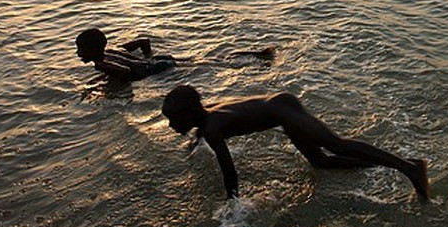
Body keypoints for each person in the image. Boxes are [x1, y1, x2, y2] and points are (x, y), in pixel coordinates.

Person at [162, 85, 430, 200]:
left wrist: (232, 206)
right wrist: (192, 145)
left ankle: (410, 168)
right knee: (320, 162)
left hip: (284, 110)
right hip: (280, 107)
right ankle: (376, 165)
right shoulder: (207, 119)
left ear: (190, 115)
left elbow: (229, 170)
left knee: (335, 145)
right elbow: (203, 130)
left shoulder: (211, 128)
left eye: (173, 120)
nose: (171, 126)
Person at [76, 27, 176, 81]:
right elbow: (144, 42)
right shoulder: (114, 50)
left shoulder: (101, 64)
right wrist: (148, 57)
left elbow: (125, 71)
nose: (78, 53)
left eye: (81, 50)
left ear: (93, 50)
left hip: (154, 70)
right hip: (156, 60)